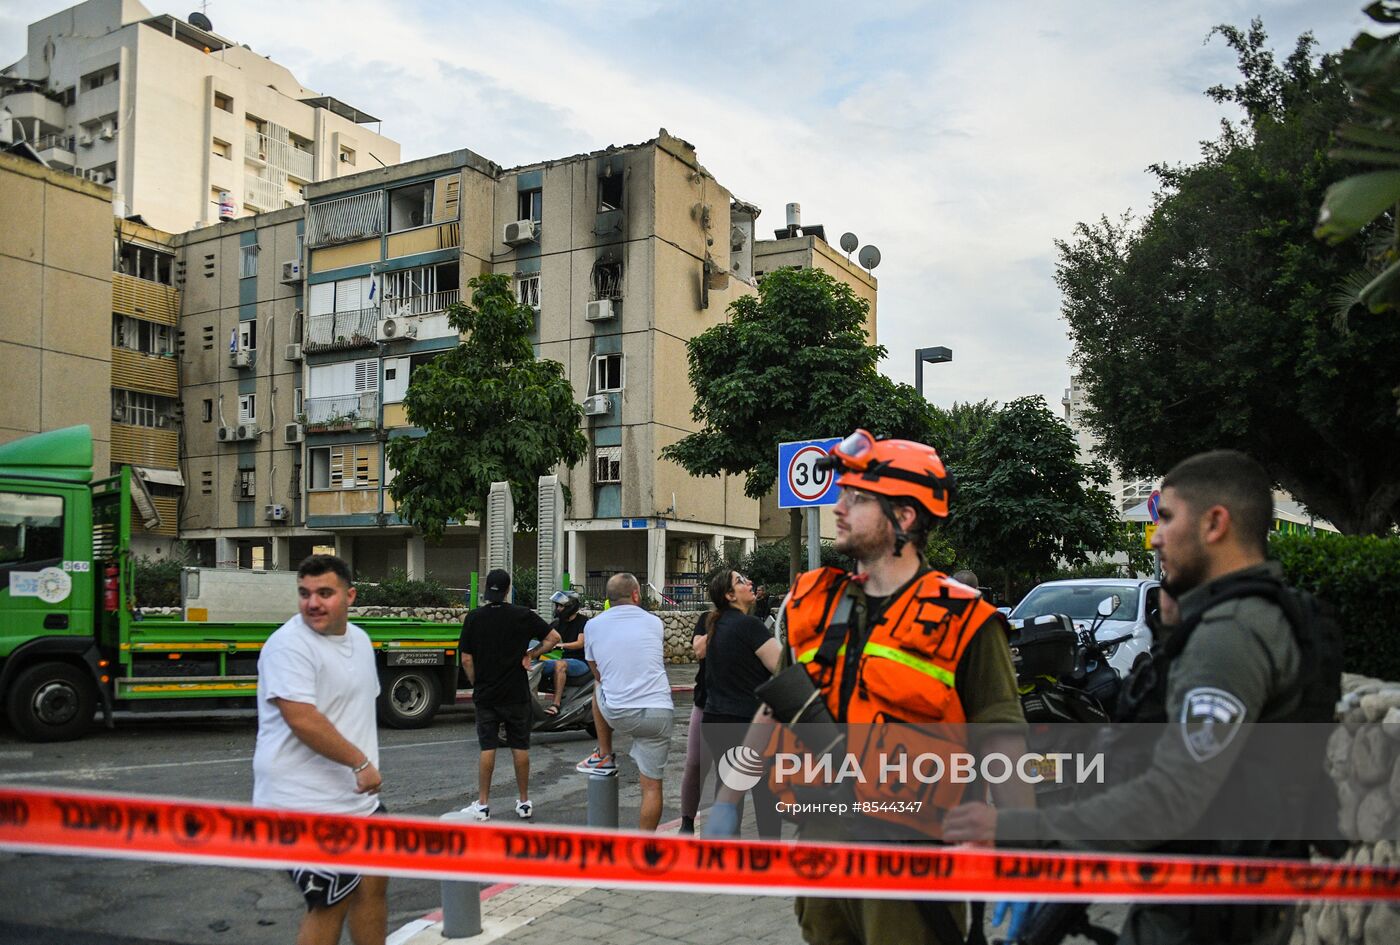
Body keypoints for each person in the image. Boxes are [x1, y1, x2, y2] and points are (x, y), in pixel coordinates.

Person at [944, 449, 1342, 945]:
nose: (1155, 536)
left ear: (1215, 523)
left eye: (1168, 517)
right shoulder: (1253, 617)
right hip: (1212, 902)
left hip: (1203, 917)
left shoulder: (1230, 635)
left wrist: (1022, 828)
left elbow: (1171, 798)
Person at [708, 429, 1032, 945]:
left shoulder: (968, 621)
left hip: (913, 865)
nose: (839, 507)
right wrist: (729, 797)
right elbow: (780, 702)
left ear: (903, 517)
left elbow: (1004, 740)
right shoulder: (811, 604)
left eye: (857, 498)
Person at [253, 554, 387, 945]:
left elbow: (355, 710)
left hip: (357, 801)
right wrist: (360, 762)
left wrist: (363, 769)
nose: (313, 603)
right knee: (330, 902)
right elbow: (302, 718)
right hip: (302, 806)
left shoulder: (360, 641)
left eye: (324, 593)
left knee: (373, 886)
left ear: (350, 596)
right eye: (305, 593)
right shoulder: (288, 646)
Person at [575, 572, 675, 830]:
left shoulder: (593, 626)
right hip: (659, 712)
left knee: (599, 683)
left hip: (618, 712)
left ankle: (605, 754)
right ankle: (644, 849)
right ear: (635, 594)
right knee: (652, 787)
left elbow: (597, 673)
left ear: (607, 598)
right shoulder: (654, 622)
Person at [458, 568, 550, 821]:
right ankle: (523, 802)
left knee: (488, 747)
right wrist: (531, 654)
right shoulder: (523, 615)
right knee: (520, 746)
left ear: (487, 590)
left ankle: (484, 804)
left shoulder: (474, 618)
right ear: (508, 590)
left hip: (487, 693)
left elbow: (466, 658)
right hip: (517, 692)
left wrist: (477, 682)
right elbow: (553, 637)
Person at [698, 569, 782, 838]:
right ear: (730, 595)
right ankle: (769, 863)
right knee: (767, 796)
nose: (749, 583)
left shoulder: (716, 626)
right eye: (740, 581)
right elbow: (782, 667)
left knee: (730, 794)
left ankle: (728, 865)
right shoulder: (750, 626)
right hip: (748, 724)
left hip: (716, 721)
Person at [678, 608, 713, 834]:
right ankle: (687, 823)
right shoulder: (708, 619)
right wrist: (724, 620)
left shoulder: (751, 625)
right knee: (694, 764)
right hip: (705, 700)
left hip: (738, 705)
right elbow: (699, 650)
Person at [534, 590, 590, 716]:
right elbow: (544, 638)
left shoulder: (583, 621)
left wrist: (560, 645)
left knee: (560, 664)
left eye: (561, 606)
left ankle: (556, 705)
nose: (558, 609)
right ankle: (532, 705)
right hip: (564, 659)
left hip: (581, 662)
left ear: (570, 607)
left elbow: (580, 643)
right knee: (535, 666)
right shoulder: (557, 623)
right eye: (557, 606)